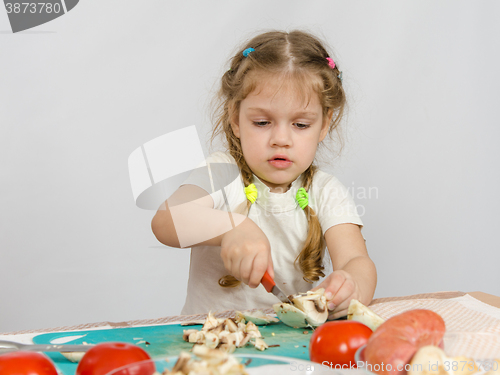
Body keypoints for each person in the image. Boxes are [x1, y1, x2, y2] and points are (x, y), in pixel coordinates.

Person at [152, 30, 377, 319]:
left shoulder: (325, 190)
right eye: (262, 122)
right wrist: (232, 228)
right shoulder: (221, 173)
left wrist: (352, 284)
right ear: (235, 118)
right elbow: (165, 221)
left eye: (300, 124)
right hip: (211, 343)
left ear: (324, 125)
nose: (281, 139)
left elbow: (357, 260)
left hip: (287, 345)